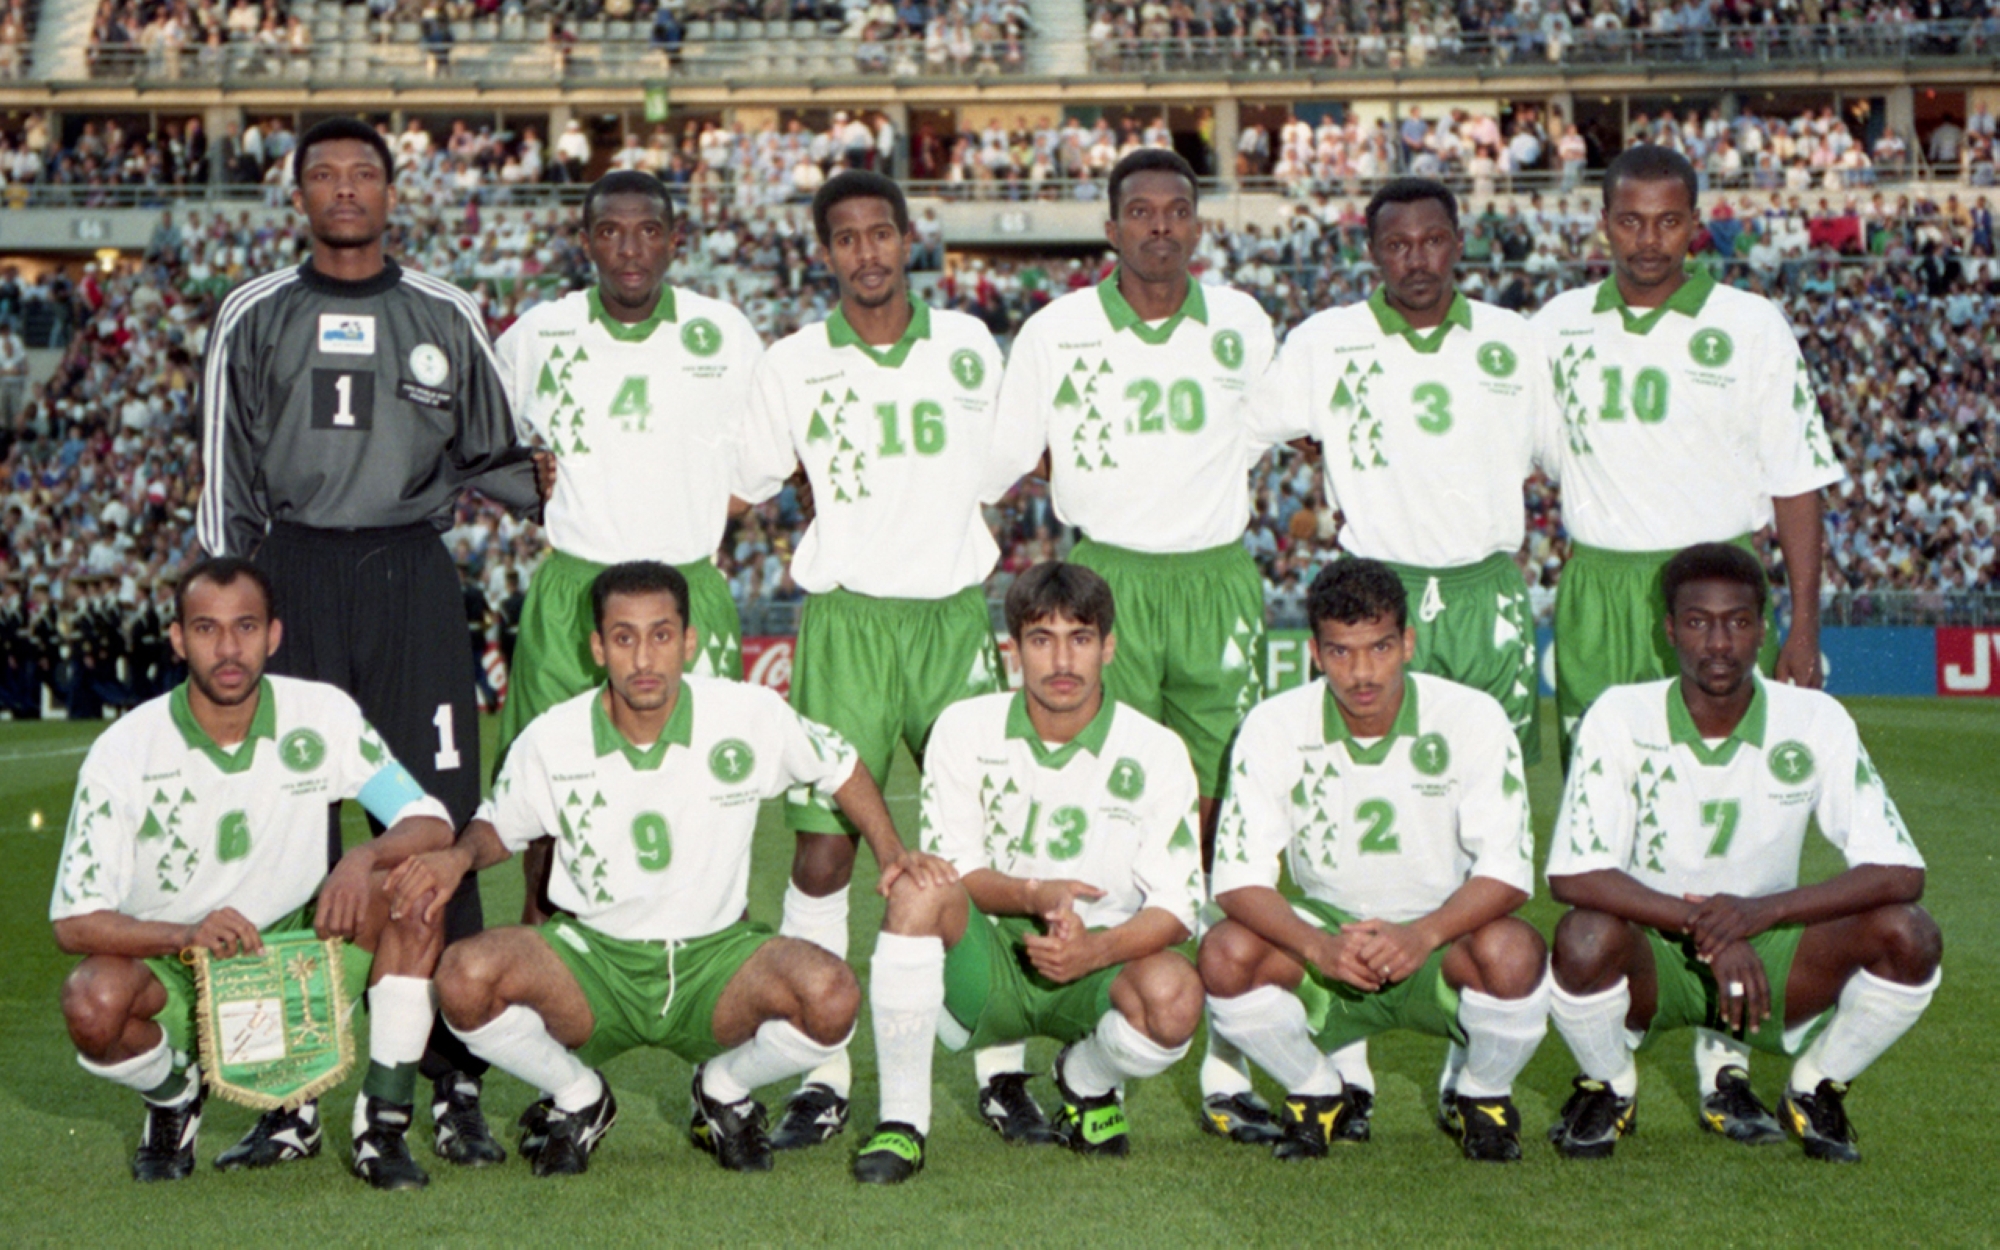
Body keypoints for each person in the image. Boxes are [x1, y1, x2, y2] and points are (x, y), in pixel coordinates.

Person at [196, 117, 546, 1166]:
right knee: (286, 834)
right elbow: (223, 481)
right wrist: (237, 615)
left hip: (409, 574)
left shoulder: (443, 310)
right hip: (293, 572)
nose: (344, 190)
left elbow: (503, 451)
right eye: (324, 176)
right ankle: (285, 1090)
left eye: (363, 175)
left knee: (437, 827)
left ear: (393, 194)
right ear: (296, 194)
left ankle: (451, 1078)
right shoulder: (252, 313)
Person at [389, 562, 953, 1176]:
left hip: (715, 963)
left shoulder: (746, 714)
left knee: (833, 996)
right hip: (594, 964)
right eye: (624, 638)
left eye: (661, 635)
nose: (643, 658)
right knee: (463, 978)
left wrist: (891, 849)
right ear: (598, 646)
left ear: (688, 642)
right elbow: (500, 824)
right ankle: (579, 1097)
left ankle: (724, 1087)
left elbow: (840, 765)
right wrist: (459, 855)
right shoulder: (554, 737)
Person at [1533, 143, 1844, 1106]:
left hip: (1716, 591)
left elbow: (1796, 480)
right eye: (1630, 221)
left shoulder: (1752, 326)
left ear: (1696, 222)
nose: (1649, 241)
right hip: (1600, 590)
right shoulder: (1557, 327)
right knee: (1610, 813)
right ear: (1603, 224)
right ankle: (1617, 1039)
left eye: (1670, 221)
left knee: (1728, 803)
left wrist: (1800, 625)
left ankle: (1725, 1040)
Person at [1251, 176, 1556, 1138]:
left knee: (1482, 807)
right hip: (1375, 591)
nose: (1416, 258)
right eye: (1397, 244)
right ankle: (1345, 1046)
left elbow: (1552, 454)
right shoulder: (1325, 340)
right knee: (1343, 797)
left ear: (1458, 243)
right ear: (1372, 252)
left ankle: (1472, 1060)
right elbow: (1267, 428)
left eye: (1433, 241)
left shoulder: (1516, 342)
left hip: (1482, 591)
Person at [990, 146, 1282, 1142]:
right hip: (1107, 574)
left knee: (1222, 823)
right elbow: (1008, 452)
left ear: (1196, 226)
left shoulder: (1241, 323)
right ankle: (1092, 1014)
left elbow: (1252, 440)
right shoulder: (1056, 330)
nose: (1160, 227)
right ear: (1109, 229)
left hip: (1214, 573)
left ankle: (1223, 1063)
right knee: (1100, 802)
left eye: (1177, 212)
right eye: (1141, 213)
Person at [734, 170, 1016, 1148]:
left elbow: (1014, 460)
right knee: (822, 847)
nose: (865, 252)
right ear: (825, 253)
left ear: (908, 239)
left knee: (983, 842)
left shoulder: (968, 345)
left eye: (879, 233)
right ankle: (819, 1066)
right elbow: (743, 485)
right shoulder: (793, 362)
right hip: (848, 622)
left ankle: (998, 1063)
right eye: (844, 238)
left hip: (950, 618)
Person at [49, 558, 455, 1189]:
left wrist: (362, 857)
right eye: (207, 629)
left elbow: (429, 821)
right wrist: (184, 936)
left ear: (273, 635)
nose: (229, 648)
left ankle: (382, 1124)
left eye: (245, 626)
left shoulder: (321, 712)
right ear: (179, 639)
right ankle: (172, 1098)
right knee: (91, 1002)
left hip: (296, 949)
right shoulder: (124, 751)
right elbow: (74, 922)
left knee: (416, 888)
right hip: (182, 964)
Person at [1544, 543, 1939, 1162]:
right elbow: (1573, 875)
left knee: (1910, 935)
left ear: (1763, 629)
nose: (1719, 642)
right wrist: (1710, 928)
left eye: (1737, 622)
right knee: (1583, 937)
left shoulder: (1815, 719)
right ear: (1670, 629)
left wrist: (1760, 914)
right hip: (1656, 951)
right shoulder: (1621, 715)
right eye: (1698, 622)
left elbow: (1901, 871)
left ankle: (1814, 1089)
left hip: (1770, 954)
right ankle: (1611, 1087)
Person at [853, 563, 1205, 1182]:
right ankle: (902, 1121)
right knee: (917, 886)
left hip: (1101, 965)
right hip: (991, 964)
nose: (1062, 660)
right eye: (1042, 640)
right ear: (1013, 649)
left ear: (1109, 646)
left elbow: (1178, 910)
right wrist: (1033, 894)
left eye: (1081, 638)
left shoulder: (1157, 750)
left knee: (1176, 996)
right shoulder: (964, 728)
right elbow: (954, 869)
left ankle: (1085, 1079)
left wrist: (1094, 951)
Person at [1200, 559, 1546, 1163]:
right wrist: (1316, 946)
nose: (1362, 672)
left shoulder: (1471, 718)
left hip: (1439, 938)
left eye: (1380, 647)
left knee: (1515, 950)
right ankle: (1316, 1089)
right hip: (1327, 941)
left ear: (1408, 642)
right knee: (1225, 951)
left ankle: (1481, 1095)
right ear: (1314, 652)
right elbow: (1236, 879)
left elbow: (1509, 871)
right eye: (1340, 652)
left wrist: (1424, 934)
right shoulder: (1275, 724)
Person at [493, 170, 761, 766]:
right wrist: (520, 481)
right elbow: (477, 436)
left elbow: (764, 458)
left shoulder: (722, 334)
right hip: (573, 591)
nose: (631, 249)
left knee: (697, 788)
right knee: (546, 795)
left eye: (648, 232)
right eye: (611, 232)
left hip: (685, 587)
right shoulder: (540, 332)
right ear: (586, 242)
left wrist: (700, 497)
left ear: (675, 241)